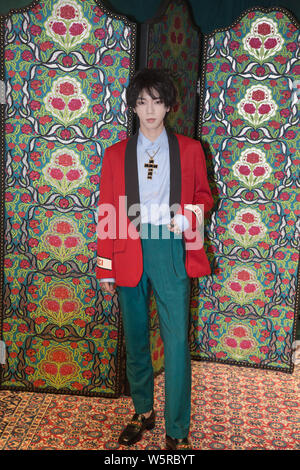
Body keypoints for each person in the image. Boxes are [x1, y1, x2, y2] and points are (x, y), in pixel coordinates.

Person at [96, 68, 213, 450]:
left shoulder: (190, 150)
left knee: (176, 341)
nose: (150, 110)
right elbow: (106, 208)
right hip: (127, 245)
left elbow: (204, 197)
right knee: (136, 337)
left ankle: (177, 429)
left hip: (169, 247)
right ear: (132, 106)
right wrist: (105, 264)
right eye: (142, 102)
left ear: (169, 106)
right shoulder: (115, 155)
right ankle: (143, 412)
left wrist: (187, 217)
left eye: (157, 102)